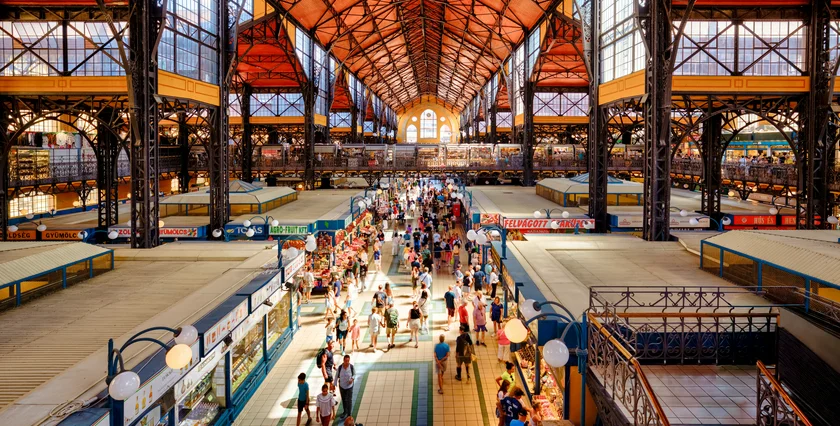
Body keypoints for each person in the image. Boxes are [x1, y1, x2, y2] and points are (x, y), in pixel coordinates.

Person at [336, 355, 355, 420]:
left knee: (349, 400)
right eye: (346, 361)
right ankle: (345, 412)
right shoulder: (340, 367)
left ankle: (349, 414)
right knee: (344, 399)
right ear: (343, 360)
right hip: (342, 386)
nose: (347, 362)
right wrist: (334, 384)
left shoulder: (351, 367)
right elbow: (336, 376)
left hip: (349, 386)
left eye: (348, 361)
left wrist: (352, 379)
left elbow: (354, 374)